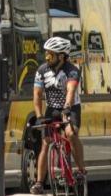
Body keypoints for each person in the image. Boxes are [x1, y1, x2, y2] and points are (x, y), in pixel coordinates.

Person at [29, 37, 85, 194]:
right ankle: (39, 182)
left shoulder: (72, 70)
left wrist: (66, 108)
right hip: (52, 108)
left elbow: (71, 90)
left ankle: (81, 170)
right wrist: (39, 115)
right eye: (46, 53)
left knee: (70, 134)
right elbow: (37, 95)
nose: (47, 57)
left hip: (71, 107)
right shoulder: (41, 71)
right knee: (46, 142)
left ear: (61, 56)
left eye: (51, 54)